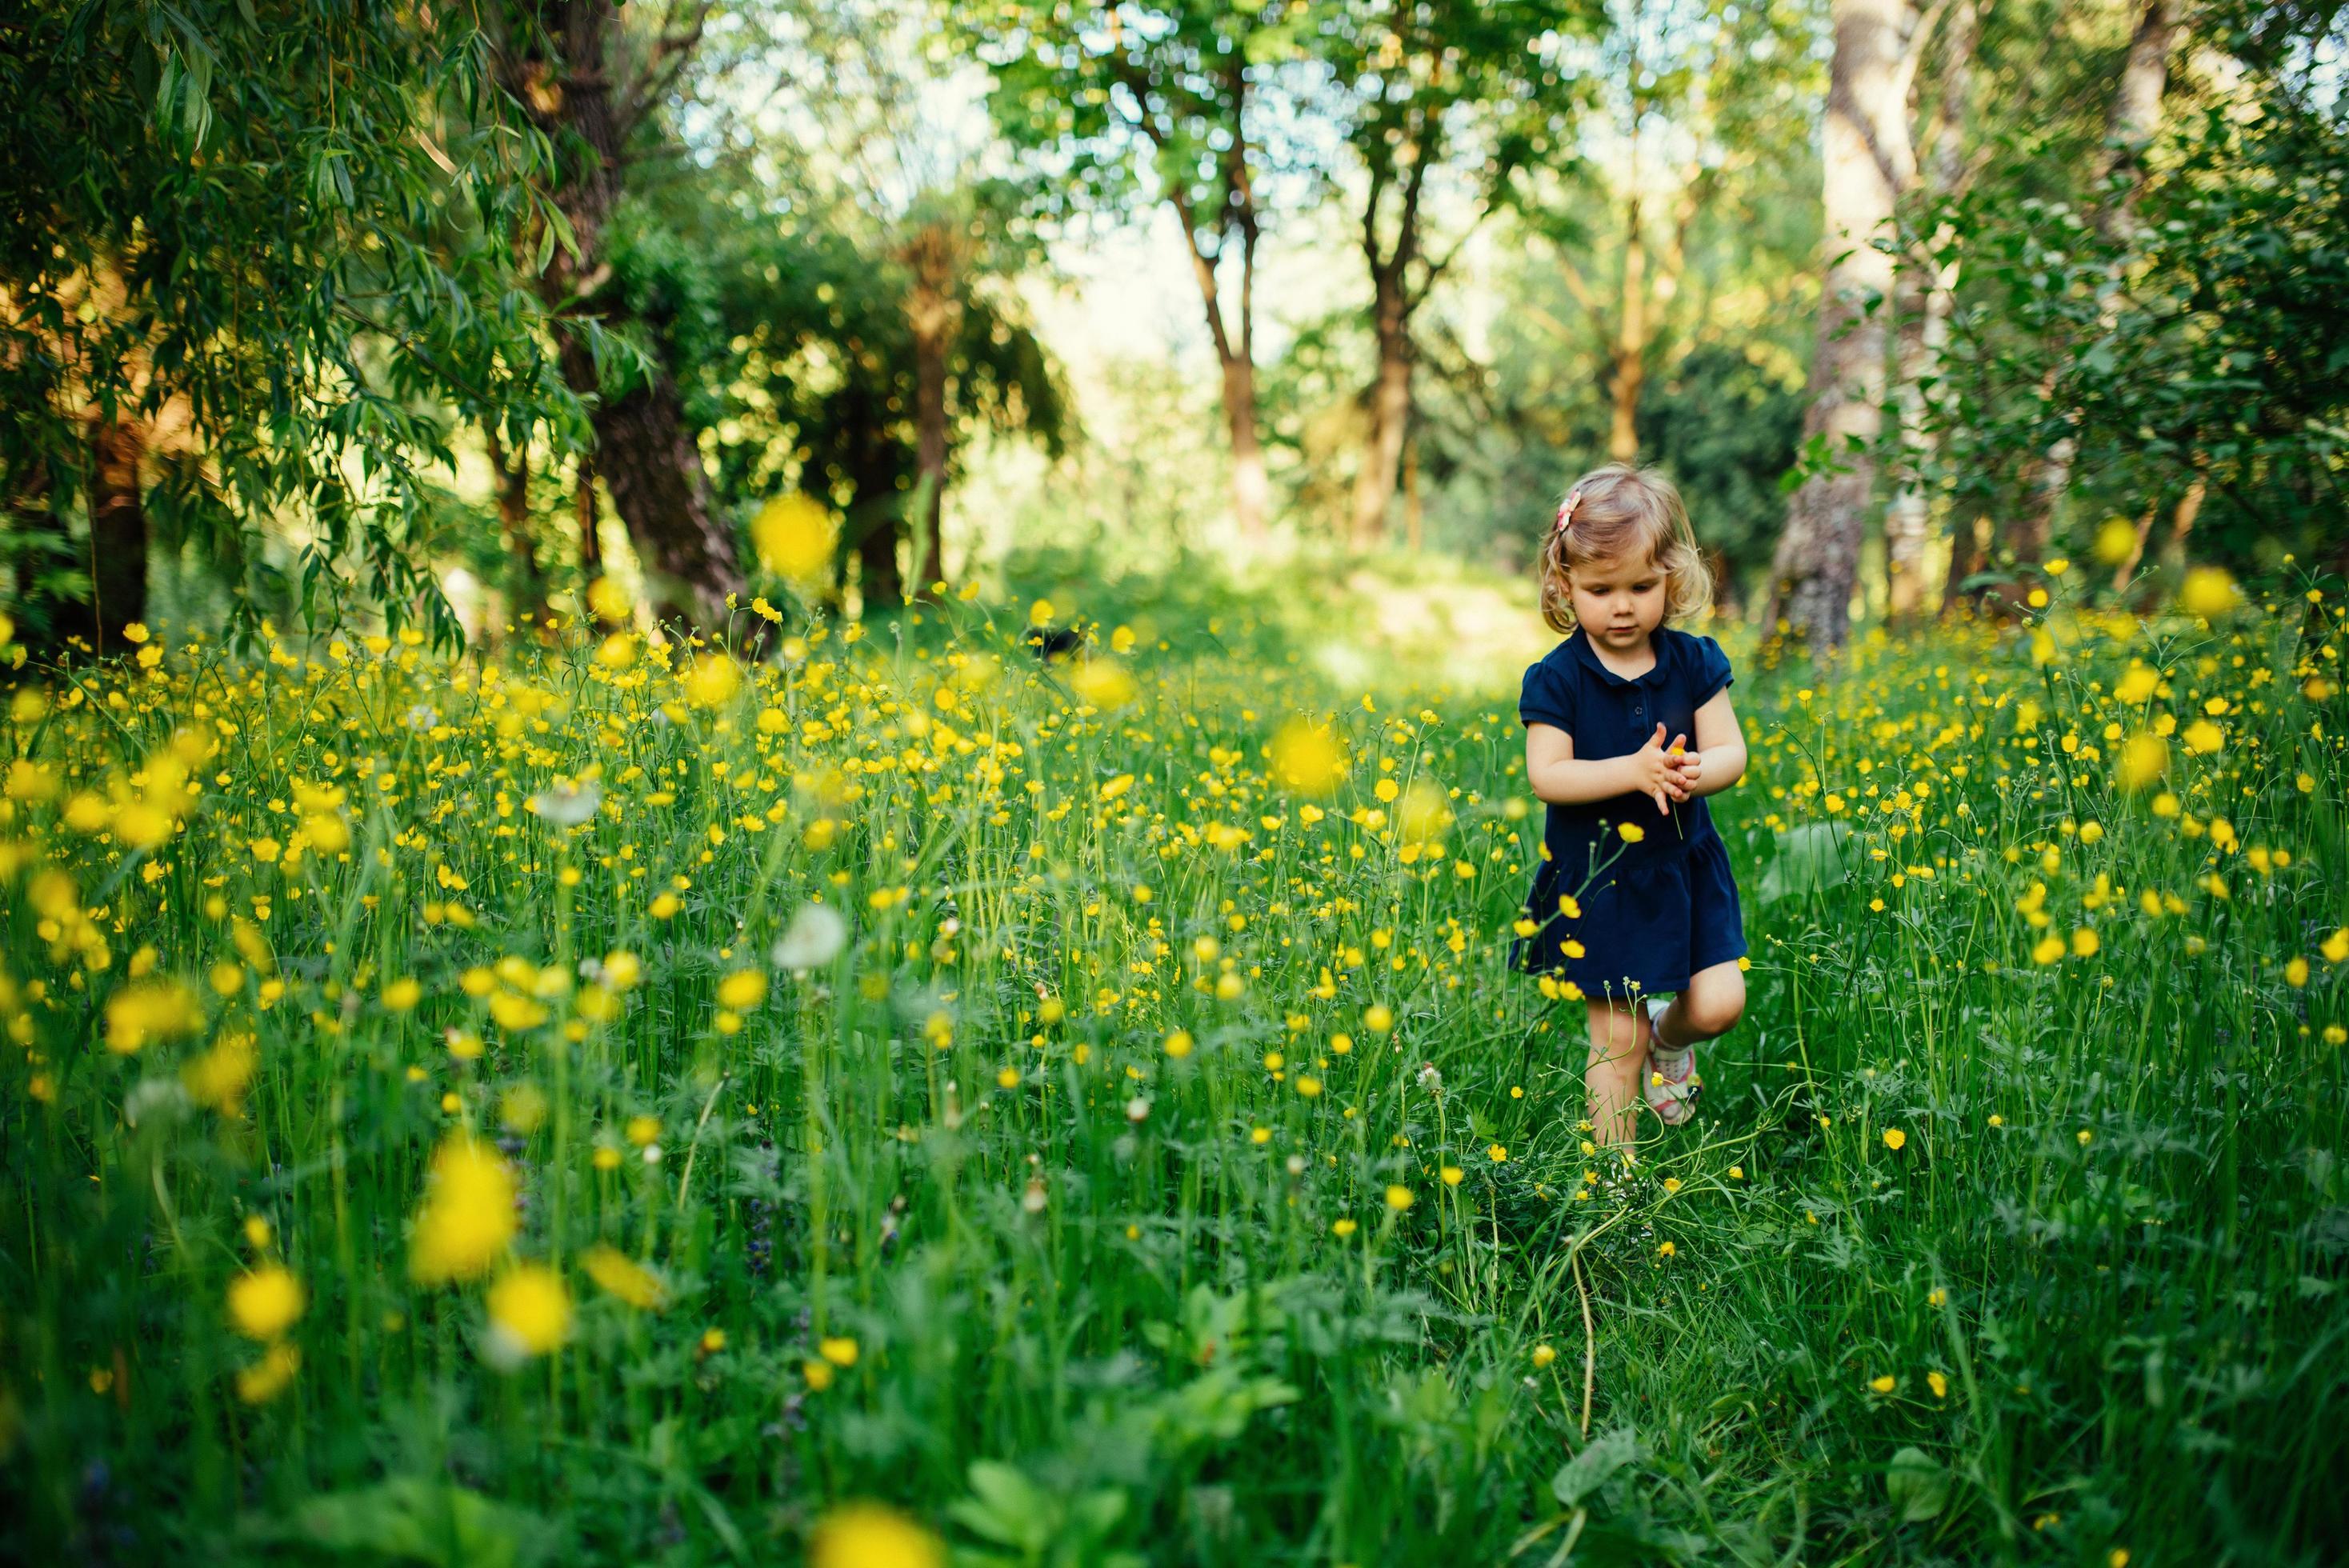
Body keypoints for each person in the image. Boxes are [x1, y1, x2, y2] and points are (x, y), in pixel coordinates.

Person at [1509, 462, 1749, 1148]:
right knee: (1619, 1037)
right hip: (1601, 882)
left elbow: (1733, 754)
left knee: (1720, 1004)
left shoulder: (1697, 662)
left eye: (1641, 587)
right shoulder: (1557, 680)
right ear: (1565, 586)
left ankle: (1673, 1044)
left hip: (1683, 869)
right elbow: (1548, 776)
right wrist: (1631, 770)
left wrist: (1692, 773)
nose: (1622, 606)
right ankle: (1619, 1188)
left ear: (1671, 578)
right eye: (1600, 589)